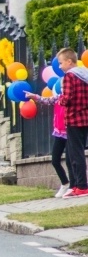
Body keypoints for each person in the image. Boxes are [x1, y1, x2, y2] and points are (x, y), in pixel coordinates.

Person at [51, 48, 88, 197]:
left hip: (73, 119)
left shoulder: (69, 77)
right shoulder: (84, 75)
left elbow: (66, 98)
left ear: (69, 61)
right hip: (85, 117)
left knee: (75, 153)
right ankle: (80, 184)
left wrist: (60, 99)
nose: (59, 66)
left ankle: (82, 186)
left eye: (61, 63)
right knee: (79, 151)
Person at [25, 91, 74, 197]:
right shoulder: (58, 98)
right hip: (59, 133)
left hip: (71, 132)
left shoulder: (73, 99)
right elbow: (46, 100)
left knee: (70, 161)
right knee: (55, 160)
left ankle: (73, 187)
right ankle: (65, 183)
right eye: (62, 87)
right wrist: (34, 96)